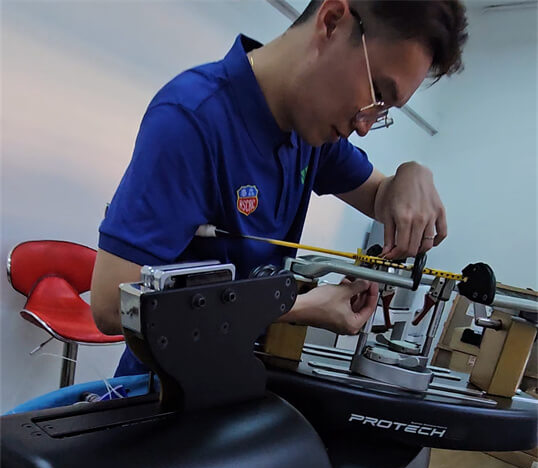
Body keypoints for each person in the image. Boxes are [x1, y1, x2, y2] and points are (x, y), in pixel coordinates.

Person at [91, 0, 468, 376]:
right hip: (163, 397)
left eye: (384, 109)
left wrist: (412, 173)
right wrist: (298, 307)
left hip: (240, 384)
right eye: (376, 92)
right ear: (332, 20)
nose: (366, 124)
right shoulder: (193, 119)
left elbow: (383, 196)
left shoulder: (310, 134)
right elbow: (112, 305)